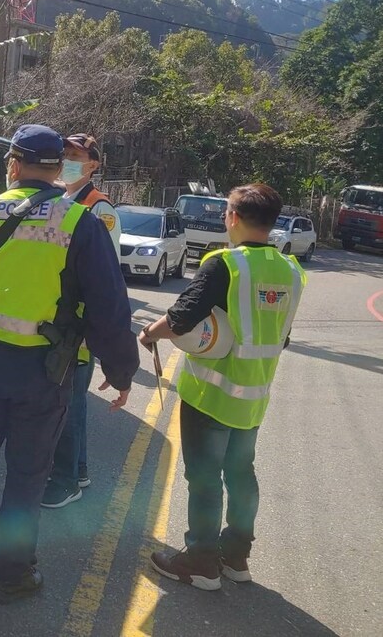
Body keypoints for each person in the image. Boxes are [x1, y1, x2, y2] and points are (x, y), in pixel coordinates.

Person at [0, 125, 139, 605]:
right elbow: (109, 306)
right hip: (47, 371)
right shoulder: (79, 223)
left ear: (13, 164)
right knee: (26, 475)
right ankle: (11, 576)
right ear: (59, 168)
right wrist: (120, 372)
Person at [138, 183, 306, 590]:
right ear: (273, 221)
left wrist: (150, 334)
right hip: (253, 398)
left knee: (206, 478)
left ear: (232, 216)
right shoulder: (293, 271)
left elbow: (182, 317)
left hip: (210, 396)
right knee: (241, 475)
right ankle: (235, 557)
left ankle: (199, 561)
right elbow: (280, 336)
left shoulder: (224, 264)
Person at [42, 133, 122, 509]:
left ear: (94, 165)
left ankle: (65, 481)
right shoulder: (63, 200)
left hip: (79, 329)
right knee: (73, 401)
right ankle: (81, 470)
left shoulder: (99, 209)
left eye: (77, 156)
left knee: (68, 403)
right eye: (65, 155)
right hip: (63, 323)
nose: (69, 161)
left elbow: (102, 280)